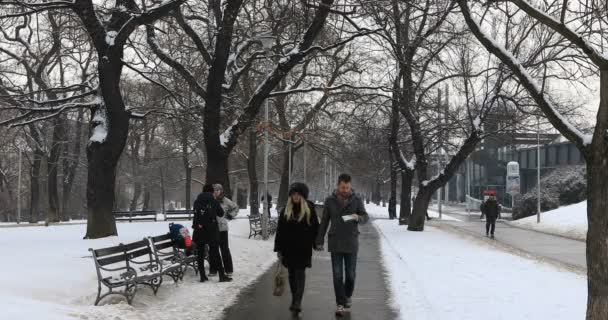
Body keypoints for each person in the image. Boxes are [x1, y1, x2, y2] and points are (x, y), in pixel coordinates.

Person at [316, 173, 369, 317]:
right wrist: (319, 240)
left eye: (347, 187)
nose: (345, 190)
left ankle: (347, 296)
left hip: (351, 241)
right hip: (336, 242)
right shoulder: (330, 200)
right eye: (342, 187)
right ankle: (340, 303)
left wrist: (357, 217)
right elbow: (325, 221)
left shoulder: (357, 200)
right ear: (338, 186)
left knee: (351, 275)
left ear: (350, 186)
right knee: (337, 275)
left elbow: (366, 218)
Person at [274, 182, 319, 316]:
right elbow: (280, 230)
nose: (295, 196)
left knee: (300, 274)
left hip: (303, 249)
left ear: (303, 195)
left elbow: (315, 227)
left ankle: (297, 301)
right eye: (293, 194)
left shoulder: (309, 209)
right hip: (288, 249)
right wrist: (278, 248)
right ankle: (295, 299)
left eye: (298, 194)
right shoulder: (286, 210)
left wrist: (316, 243)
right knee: (292, 275)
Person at [192, 184, 232, 283]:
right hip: (211, 230)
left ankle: (202, 276)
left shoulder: (197, 201)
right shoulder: (213, 201)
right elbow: (221, 213)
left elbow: (196, 213)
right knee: (215, 252)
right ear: (211, 192)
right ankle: (222, 276)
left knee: (200, 253)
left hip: (199, 230)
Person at [210, 184, 239, 277]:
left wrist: (231, 215)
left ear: (221, 191)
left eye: (218, 190)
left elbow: (235, 208)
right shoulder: (210, 200)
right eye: (214, 190)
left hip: (222, 228)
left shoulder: (225, 200)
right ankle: (213, 270)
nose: (216, 192)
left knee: (224, 249)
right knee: (213, 250)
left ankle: (228, 270)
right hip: (212, 228)